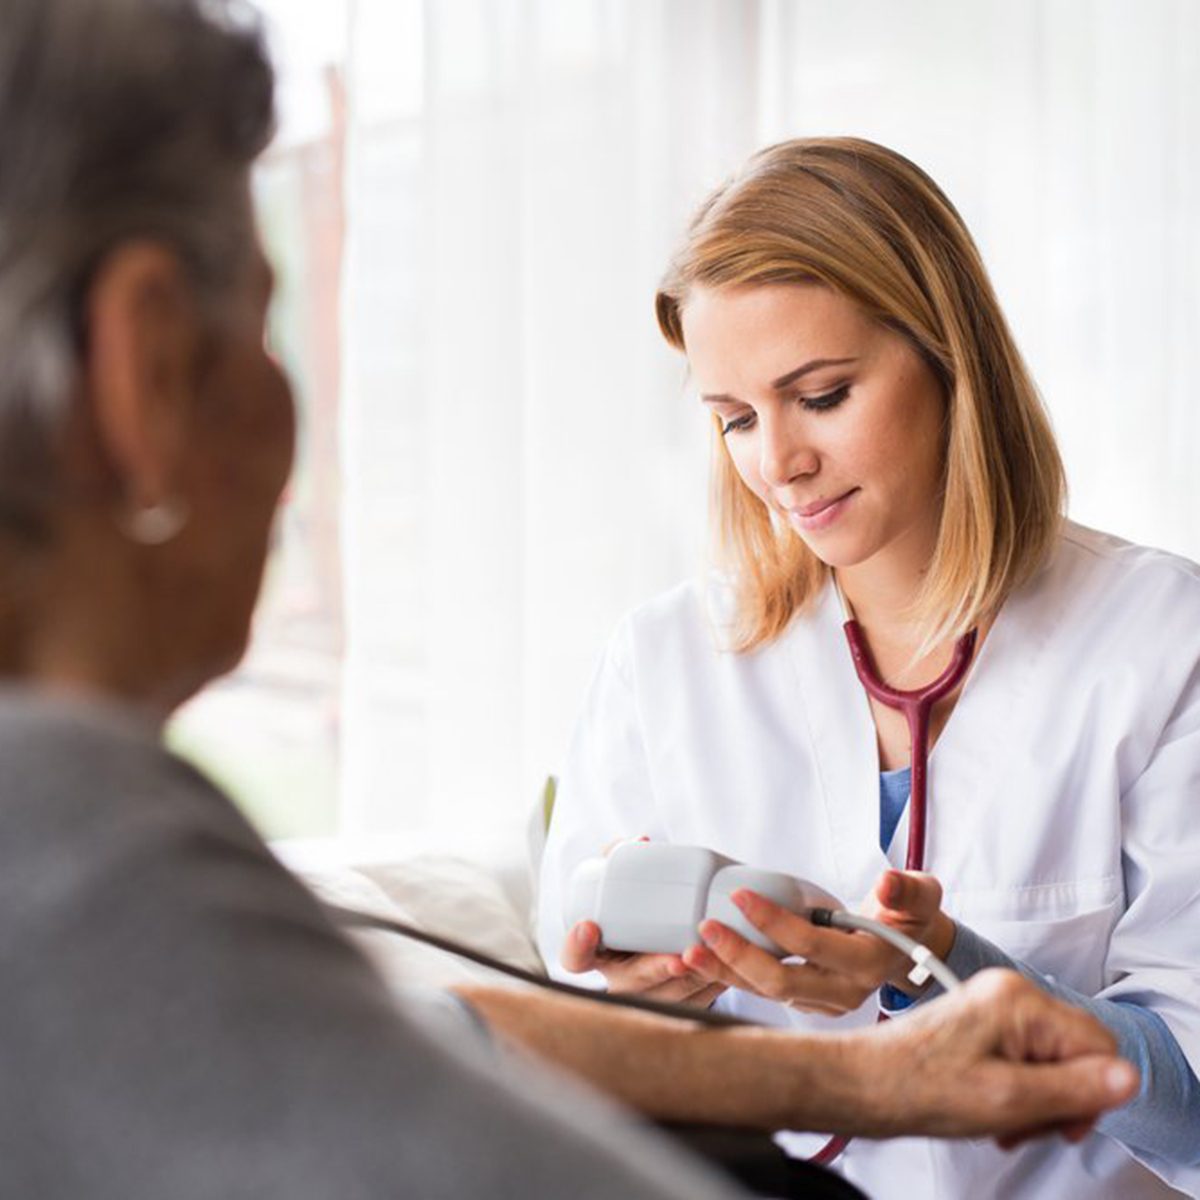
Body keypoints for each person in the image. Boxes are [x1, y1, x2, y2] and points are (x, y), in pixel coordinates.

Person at [0, 3, 1139, 1196]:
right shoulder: (93, 868)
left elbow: (424, 1026)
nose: (779, 461)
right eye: (265, 320)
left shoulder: (132, 910)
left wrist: (864, 1076)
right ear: (148, 368)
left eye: (822, 394)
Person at [538, 137, 1200, 1199]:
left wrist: (945, 971)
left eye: (824, 395)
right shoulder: (663, 666)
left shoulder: (1162, 644)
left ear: (949, 357)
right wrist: (645, 1009)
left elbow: (1195, 1110)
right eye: (737, 420)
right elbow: (567, 1041)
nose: (778, 464)